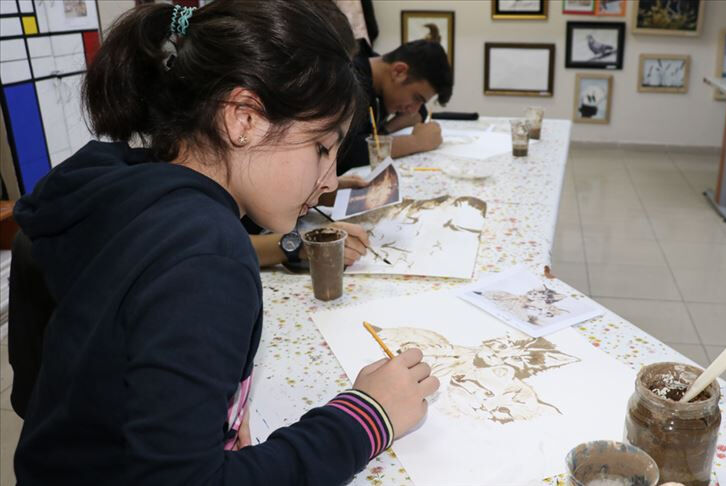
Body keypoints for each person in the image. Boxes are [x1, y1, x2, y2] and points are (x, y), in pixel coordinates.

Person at [12, 1, 438, 484]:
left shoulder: (125, 185)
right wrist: (367, 417)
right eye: (322, 148)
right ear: (243, 119)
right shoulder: (208, 255)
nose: (328, 180)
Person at [339, 39, 454, 174]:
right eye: (417, 98)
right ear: (399, 72)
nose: (413, 110)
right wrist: (417, 141)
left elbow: (420, 113)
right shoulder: (346, 82)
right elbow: (344, 152)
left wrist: (386, 130)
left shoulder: (380, 80)